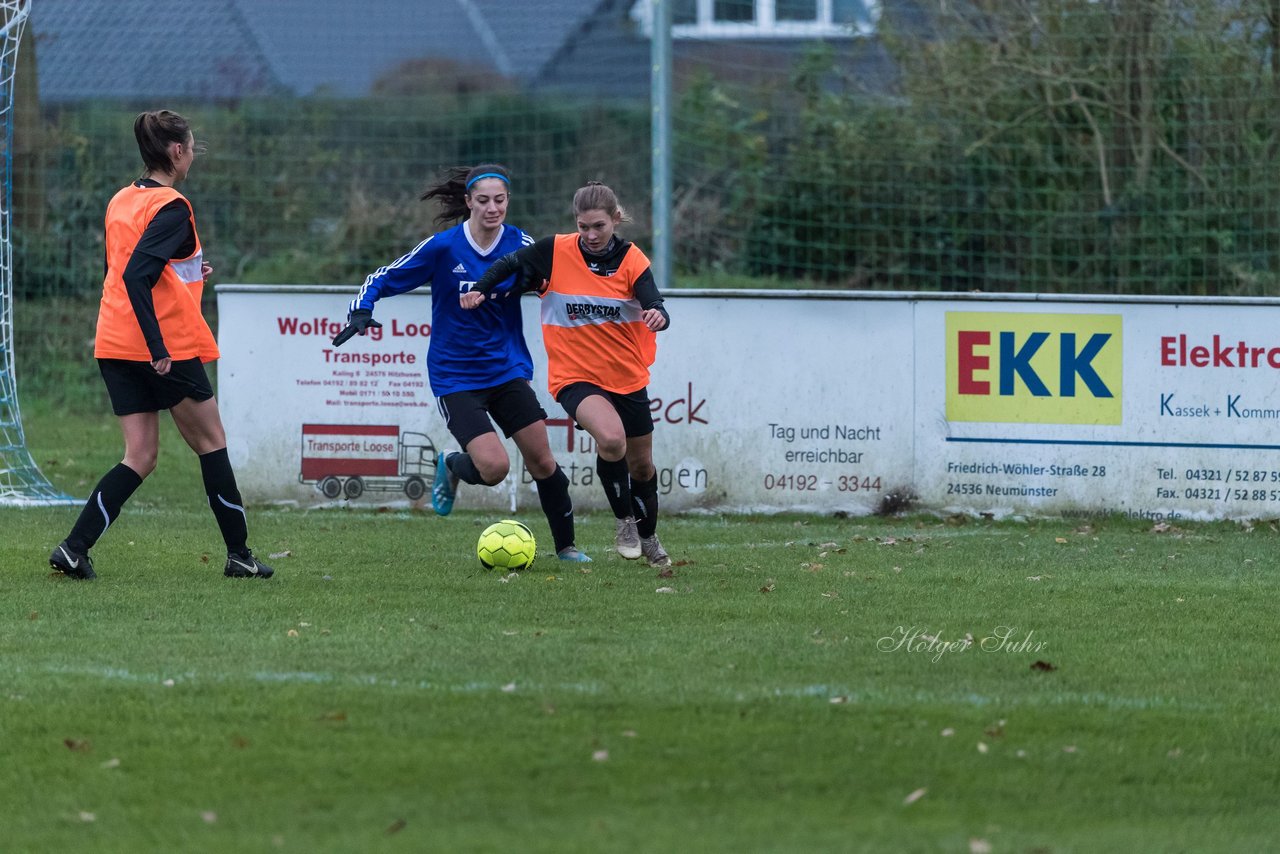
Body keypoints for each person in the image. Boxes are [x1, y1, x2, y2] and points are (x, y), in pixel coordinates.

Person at [49, 110, 273, 580]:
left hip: (113, 339)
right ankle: (240, 556)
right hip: (161, 346)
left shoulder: (121, 200)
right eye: (191, 147)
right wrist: (157, 348)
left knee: (141, 456)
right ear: (176, 151)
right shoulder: (173, 205)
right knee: (212, 443)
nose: (193, 154)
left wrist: (190, 275)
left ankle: (74, 548)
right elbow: (136, 274)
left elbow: (127, 268)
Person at [331, 164, 591, 563]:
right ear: (468, 201)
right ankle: (451, 463)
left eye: (500, 200)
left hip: (506, 369)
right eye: (483, 200)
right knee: (495, 468)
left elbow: (555, 283)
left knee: (542, 460)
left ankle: (567, 548)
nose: (492, 208)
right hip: (456, 375)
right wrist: (361, 310)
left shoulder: (522, 244)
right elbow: (383, 276)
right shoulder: (443, 247)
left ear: (508, 201)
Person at [462, 181, 673, 567]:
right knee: (611, 440)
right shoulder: (555, 250)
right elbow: (510, 263)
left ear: (615, 219)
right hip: (575, 377)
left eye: (598, 227)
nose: (590, 235)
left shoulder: (632, 259)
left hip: (627, 377)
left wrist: (657, 313)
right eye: (583, 226)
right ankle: (625, 520)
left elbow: (652, 298)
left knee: (642, 466)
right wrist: (480, 289)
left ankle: (649, 536)